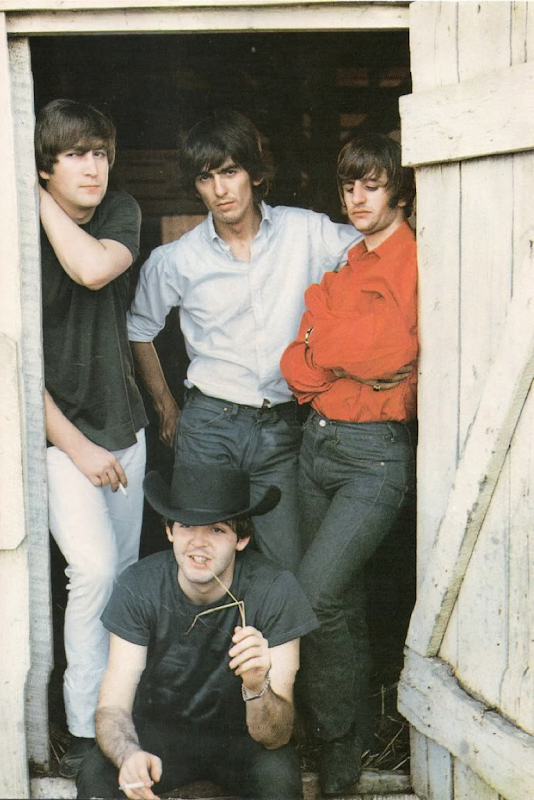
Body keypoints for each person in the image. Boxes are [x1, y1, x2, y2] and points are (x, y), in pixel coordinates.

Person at [126, 110, 363, 573]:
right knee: (202, 565)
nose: (220, 189)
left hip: (281, 427)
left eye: (230, 171)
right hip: (209, 425)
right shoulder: (176, 259)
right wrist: (166, 408)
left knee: (286, 567)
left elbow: (374, 249)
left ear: (254, 173)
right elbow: (139, 329)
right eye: (205, 177)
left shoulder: (306, 231)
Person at [280, 133, 418, 795]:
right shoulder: (348, 260)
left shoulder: (412, 260)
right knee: (342, 602)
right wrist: (335, 351)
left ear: (399, 191)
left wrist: (325, 342)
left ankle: (336, 748)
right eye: (347, 186)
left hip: (373, 458)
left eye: (372, 184)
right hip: (316, 445)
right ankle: (350, 740)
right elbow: (294, 362)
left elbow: (393, 351)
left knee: (316, 595)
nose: (357, 198)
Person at [76, 464, 318, 800]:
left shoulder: (275, 590)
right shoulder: (139, 586)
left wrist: (256, 686)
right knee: (96, 773)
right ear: (169, 531)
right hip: (160, 737)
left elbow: (276, 735)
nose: (198, 543)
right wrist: (128, 755)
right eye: (186, 525)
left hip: (241, 740)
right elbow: (112, 707)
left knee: (278, 777)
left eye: (217, 530)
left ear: (242, 539)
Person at [36, 98, 148, 777]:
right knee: (96, 572)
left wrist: (36, 199)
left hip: (123, 429)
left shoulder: (118, 211)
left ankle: (119, 714)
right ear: (45, 164)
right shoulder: (12, 235)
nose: (93, 168)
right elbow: (13, 362)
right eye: (75, 154)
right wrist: (78, 448)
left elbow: (95, 268)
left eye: (100, 153)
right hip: (60, 438)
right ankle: (83, 732)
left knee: (126, 581)